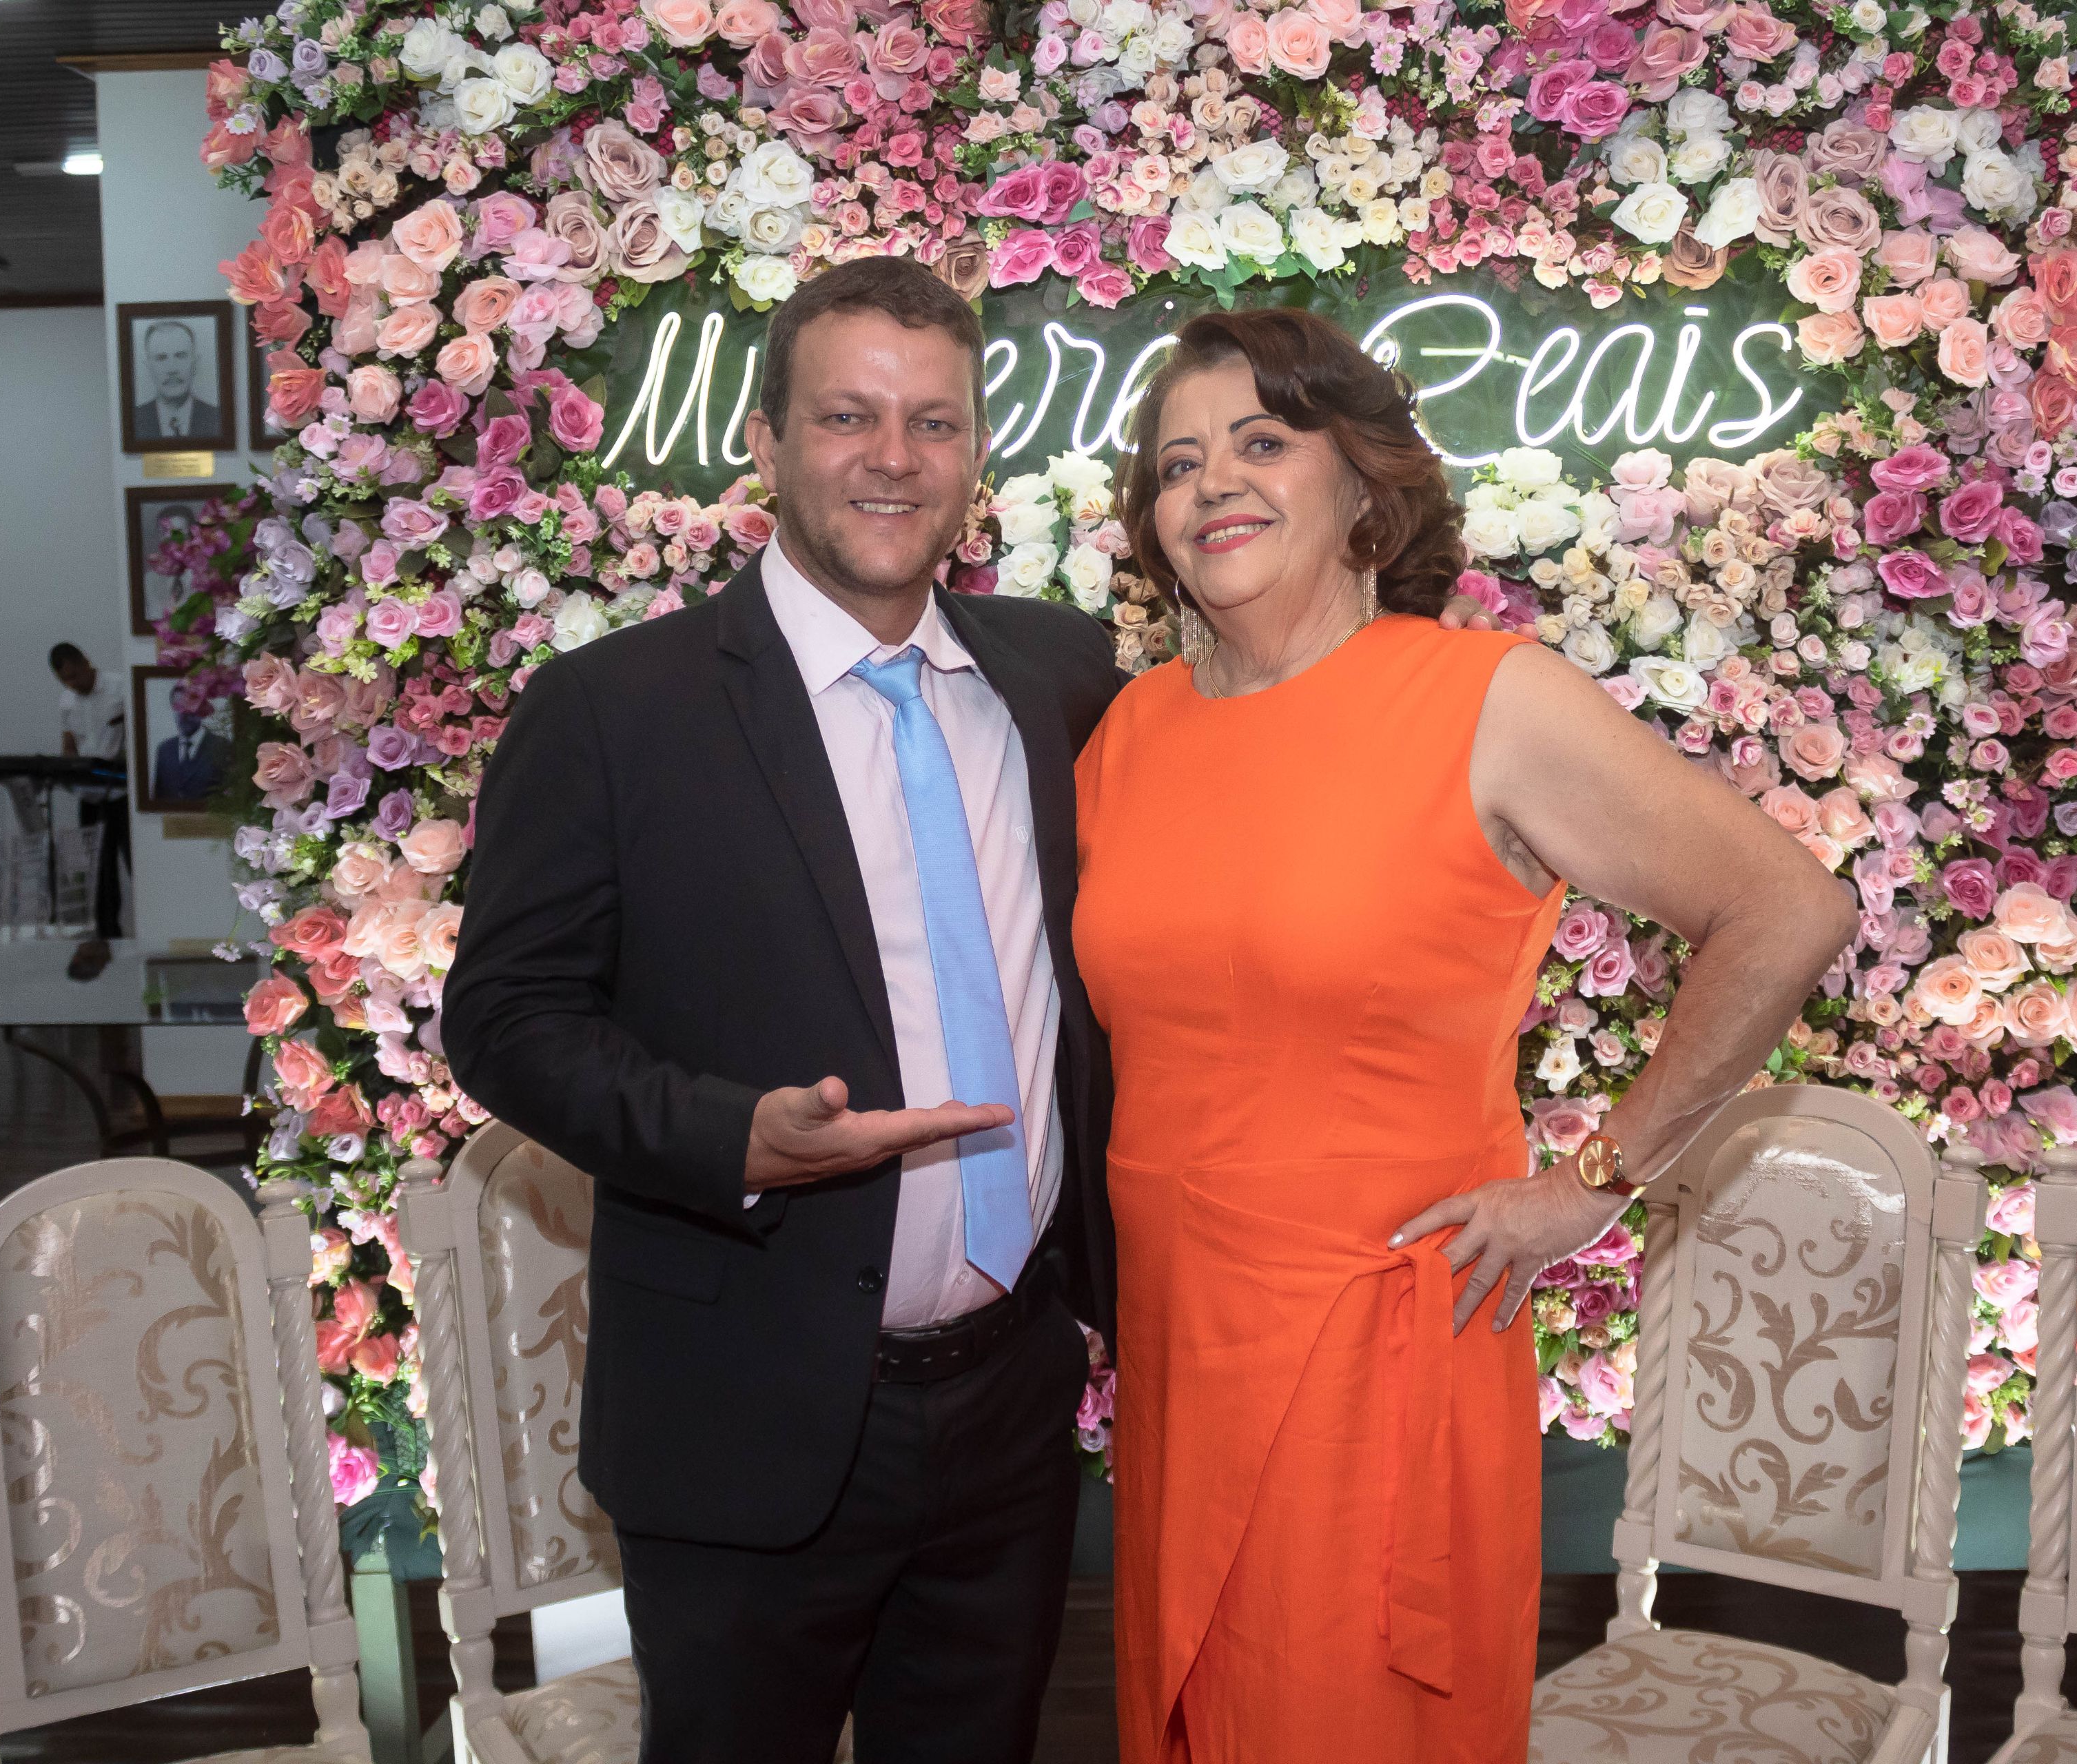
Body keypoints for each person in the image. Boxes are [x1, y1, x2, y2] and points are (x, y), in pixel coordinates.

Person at [443, 258, 1496, 1762]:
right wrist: (731, 1134)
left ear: (975, 457)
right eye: (848, 417)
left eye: (933, 423)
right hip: (749, 1417)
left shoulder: (1063, 679)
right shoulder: (614, 710)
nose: (893, 457)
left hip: (1011, 1409)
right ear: (765, 441)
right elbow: (506, 1017)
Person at [1072, 309, 1858, 1762]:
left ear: (1362, 484)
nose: (1213, 482)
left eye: (1261, 441)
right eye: (1178, 462)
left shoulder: (1486, 699)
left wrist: (1596, 1183)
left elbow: (1787, 909)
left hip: (1374, 1367)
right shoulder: (1133, 733)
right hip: (1181, 1364)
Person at [52, 642, 128, 980]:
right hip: (89, 795)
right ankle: (108, 937)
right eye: (65, 680)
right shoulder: (67, 700)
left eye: (75, 676)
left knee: (133, 861)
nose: (73, 684)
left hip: (122, 792)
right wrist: (65, 768)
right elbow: (69, 743)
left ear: (86, 662)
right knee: (100, 871)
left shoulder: (119, 688)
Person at [133, 320, 221, 444]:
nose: (172, 369)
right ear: (148, 367)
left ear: (195, 362)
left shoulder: (217, 418)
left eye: (181, 356)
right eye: (161, 358)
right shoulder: (133, 421)